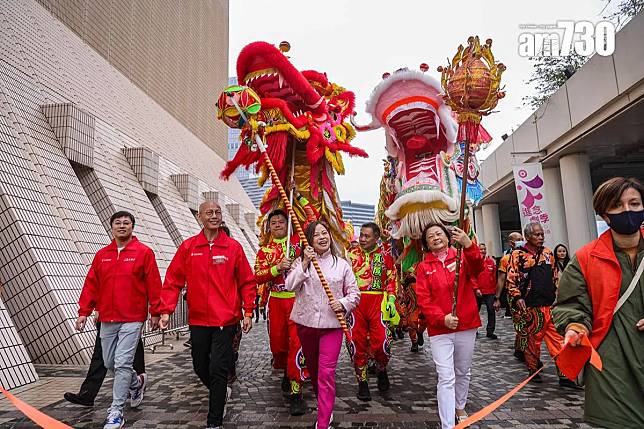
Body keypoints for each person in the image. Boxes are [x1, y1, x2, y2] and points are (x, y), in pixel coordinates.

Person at [553, 177, 644, 428]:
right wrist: (575, 327)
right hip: (611, 359)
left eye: (635, 203)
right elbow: (570, 305)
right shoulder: (585, 258)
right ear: (606, 215)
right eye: (618, 205)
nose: (628, 211)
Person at [159, 200, 256, 429]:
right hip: (198, 320)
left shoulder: (233, 247)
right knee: (199, 366)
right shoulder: (189, 247)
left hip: (226, 320)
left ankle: (214, 422)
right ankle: (220, 392)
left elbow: (247, 282)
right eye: (209, 212)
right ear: (199, 217)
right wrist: (165, 311)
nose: (214, 215)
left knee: (218, 368)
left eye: (218, 212)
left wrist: (248, 312)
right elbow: (173, 280)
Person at [75, 211, 161, 429]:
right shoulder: (102, 254)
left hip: (132, 318)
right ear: (111, 227)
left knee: (122, 362)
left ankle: (116, 411)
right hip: (107, 317)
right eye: (118, 223)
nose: (122, 226)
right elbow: (92, 284)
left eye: (126, 223)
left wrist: (156, 312)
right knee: (109, 361)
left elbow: (154, 284)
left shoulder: (144, 253)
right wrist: (84, 311)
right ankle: (137, 382)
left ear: (132, 227)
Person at [285, 221, 360, 429]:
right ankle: (325, 404)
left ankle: (323, 422)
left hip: (332, 326)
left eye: (325, 233)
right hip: (305, 324)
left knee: (326, 373)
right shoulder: (300, 263)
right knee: (315, 372)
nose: (322, 237)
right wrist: (305, 264)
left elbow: (355, 294)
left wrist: (343, 303)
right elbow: (290, 285)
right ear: (309, 240)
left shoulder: (342, 264)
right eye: (316, 234)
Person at [415, 223, 483, 428]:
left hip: (466, 324)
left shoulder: (461, 256)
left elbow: (478, 267)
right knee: (446, 376)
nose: (435, 238)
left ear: (447, 236)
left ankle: (460, 407)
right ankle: (447, 424)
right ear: (426, 244)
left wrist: (469, 245)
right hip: (440, 330)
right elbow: (423, 299)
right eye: (430, 236)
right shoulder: (423, 267)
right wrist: (441, 318)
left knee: (462, 371)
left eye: (439, 234)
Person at [505, 222, 575, 388]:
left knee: (558, 341)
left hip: (549, 305)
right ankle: (533, 369)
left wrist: (559, 297)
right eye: (537, 234)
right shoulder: (517, 255)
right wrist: (517, 297)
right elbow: (511, 279)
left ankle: (564, 375)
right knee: (533, 342)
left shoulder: (548, 253)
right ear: (528, 236)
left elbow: (555, 277)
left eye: (542, 234)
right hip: (531, 307)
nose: (541, 237)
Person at [254, 209, 308, 415]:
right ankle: (286, 368)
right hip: (276, 303)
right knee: (278, 346)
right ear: (269, 227)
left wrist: (299, 199)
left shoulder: (299, 242)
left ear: (289, 224)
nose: (277, 225)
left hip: (297, 301)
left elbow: (311, 219)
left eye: (281, 222)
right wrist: (276, 268)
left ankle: (297, 392)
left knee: (297, 345)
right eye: (273, 222)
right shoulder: (265, 251)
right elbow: (257, 276)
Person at [347, 222, 397, 401]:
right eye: (361, 235)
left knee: (382, 343)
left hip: (378, 302)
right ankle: (362, 382)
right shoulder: (350, 255)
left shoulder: (385, 256)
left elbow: (391, 279)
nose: (362, 239)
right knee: (356, 343)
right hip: (356, 303)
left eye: (367, 236)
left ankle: (382, 369)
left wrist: (391, 299)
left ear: (376, 238)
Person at [64, 313, 146, 407]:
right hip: (108, 314)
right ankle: (136, 383)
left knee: (128, 353)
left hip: (131, 313)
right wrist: (95, 309)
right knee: (105, 357)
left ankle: (116, 407)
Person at [493, 232, 526, 361]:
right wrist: (497, 298)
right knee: (520, 323)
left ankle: (521, 348)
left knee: (529, 324)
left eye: (522, 239)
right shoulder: (506, 259)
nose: (521, 241)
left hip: (529, 295)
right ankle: (523, 350)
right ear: (511, 242)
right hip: (513, 295)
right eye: (518, 240)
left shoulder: (529, 255)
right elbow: (501, 279)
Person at [474, 243, 498, 339]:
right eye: (481, 249)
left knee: (491, 310)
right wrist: (476, 288)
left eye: (484, 249)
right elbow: (473, 277)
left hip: (489, 291)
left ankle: (490, 331)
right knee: (475, 311)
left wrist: (495, 292)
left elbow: (494, 277)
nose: (483, 251)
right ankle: (474, 330)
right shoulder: (475, 262)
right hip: (478, 291)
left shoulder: (490, 262)